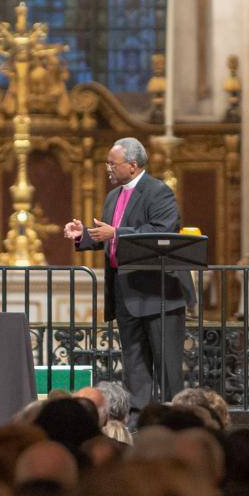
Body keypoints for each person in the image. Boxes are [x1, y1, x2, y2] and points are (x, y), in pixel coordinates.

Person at [64, 138, 189, 408]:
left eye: (112, 163)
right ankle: (136, 420)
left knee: (167, 366)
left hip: (158, 295)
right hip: (126, 292)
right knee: (134, 364)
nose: (108, 168)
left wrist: (116, 233)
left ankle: (172, 421)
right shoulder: (114, 196)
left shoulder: (158, 192)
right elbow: (108, 237)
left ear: (132, 166)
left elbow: (162, 232)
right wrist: (83, 234)